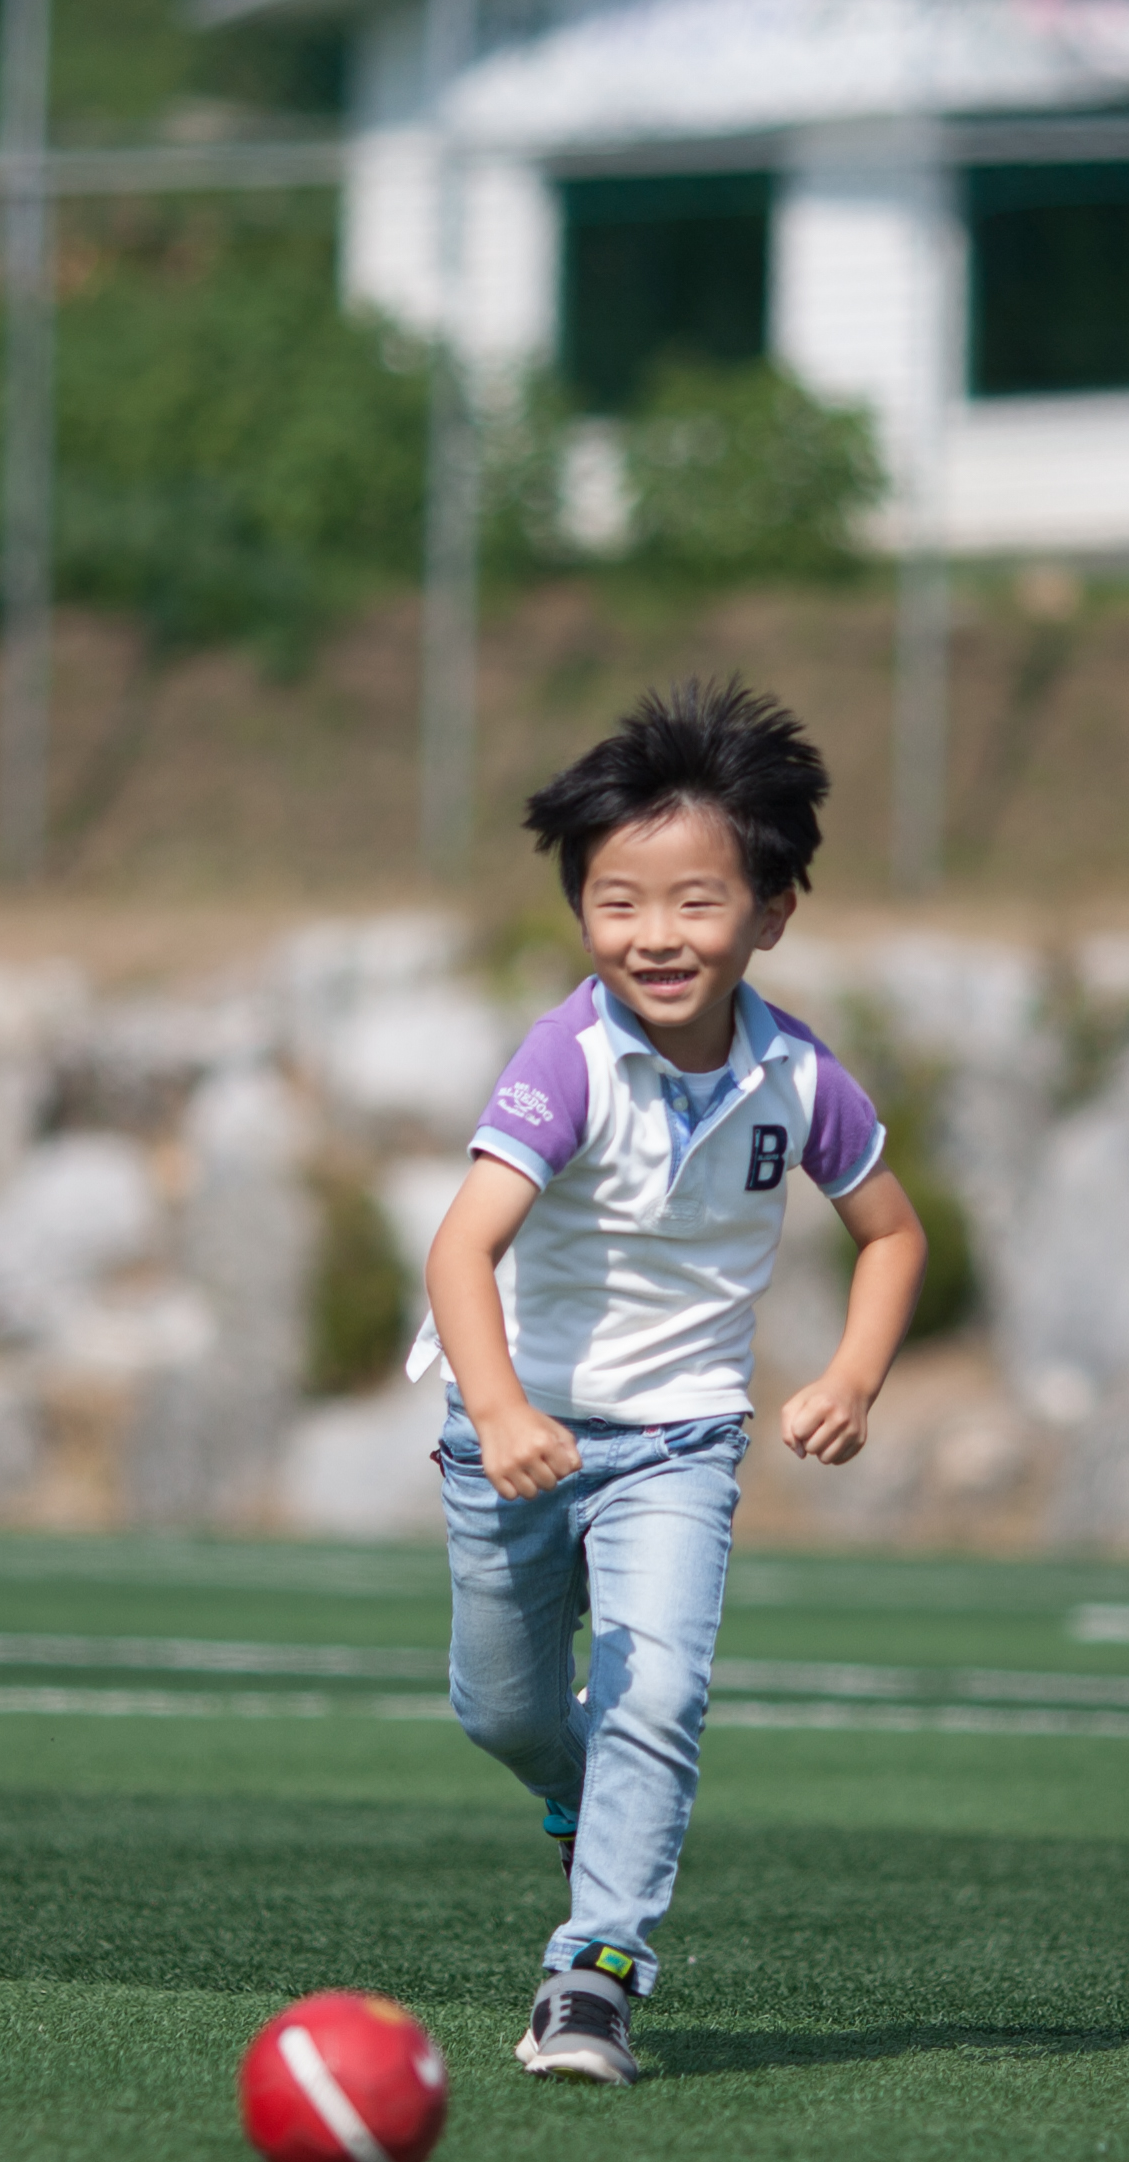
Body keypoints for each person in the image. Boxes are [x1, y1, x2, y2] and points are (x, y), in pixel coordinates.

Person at [414, 678, 928, 2084]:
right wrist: (507, 1409)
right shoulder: (564, 1059)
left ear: (772, 911)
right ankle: (587, 1806)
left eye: (696, 903)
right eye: (617, 902)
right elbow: (462, 1250)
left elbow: (892, 1235)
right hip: (510, 1431)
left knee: (656, 1699)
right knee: (506, 1712)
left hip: (681, 1443)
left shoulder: (800, 1077)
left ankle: (594, 1978)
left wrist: (855, 1377)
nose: (655, 935)